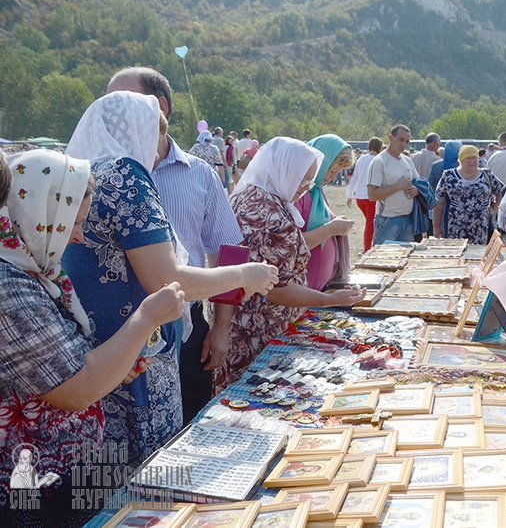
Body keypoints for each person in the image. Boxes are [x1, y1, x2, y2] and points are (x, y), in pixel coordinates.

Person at [63, 91, 278, 468]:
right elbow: (166, 278)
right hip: (135, 354)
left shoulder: (78, 172)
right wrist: (246, 274)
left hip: (92, 355)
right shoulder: (125, 174)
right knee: (147, 478)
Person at [0, 150, 185, 525]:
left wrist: (116, 363)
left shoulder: (32, 272)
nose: (80, 237)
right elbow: (74, 389)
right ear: (36, 215)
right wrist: (147, 316)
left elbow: (59, 363)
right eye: (73, 223)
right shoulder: (10, 287)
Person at [107, 67, 247, 425]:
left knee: (190, 425)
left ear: (161, 108)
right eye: (107, 102)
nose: (112, 111)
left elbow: (229, 250)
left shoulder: (199, 173)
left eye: (125, 101)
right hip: (113, 332)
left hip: (186, 325)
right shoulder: (97, 173)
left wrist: (220, 328)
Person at [214, 137, 366, 393]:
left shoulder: (256, 194)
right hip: (258, 327)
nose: (306, 187)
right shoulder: (267, 212)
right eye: (302, 179)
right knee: (254, 398)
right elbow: (276, 289)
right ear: (284, 170)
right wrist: (330, 300)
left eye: (310, 180)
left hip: (244, 322)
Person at [295, 134, 356, 291]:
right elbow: (292, 244)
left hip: (317, 292)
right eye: (332, 170)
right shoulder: (298, 193)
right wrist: (332, 228)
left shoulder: (317, 192)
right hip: (301, 293)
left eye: (338, 172)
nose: (333, 177)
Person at [432, 145, 503, 244]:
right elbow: (439, 202)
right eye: (468, 158)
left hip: (481, 229)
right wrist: (436, 227)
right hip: (455, 228)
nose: (472, 161)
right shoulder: (449, 176)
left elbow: (500, 192)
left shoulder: (487, 175)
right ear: (461, 160)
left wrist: (494, 208)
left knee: (478, 256)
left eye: (474, 158)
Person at [367, 124, 420, 245]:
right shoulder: (379, 161)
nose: (404, 144)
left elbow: (418, 182)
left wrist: (416, 190)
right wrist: (397, 187)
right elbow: (372, 195)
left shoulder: (408, 161)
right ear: (390, 137)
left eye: (407, 141)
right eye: (401, 139)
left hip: (408, 220)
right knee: (382, 260)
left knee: (405, 260)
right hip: (387, 220)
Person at [347, 137, 382, 251]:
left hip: (359, 197)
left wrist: (349, 194)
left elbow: (355, 177)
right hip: (370, 197)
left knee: (370, 223)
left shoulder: (361, 158)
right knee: (370, 224)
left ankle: (369, 246)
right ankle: (367, 249)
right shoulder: (378, 159)